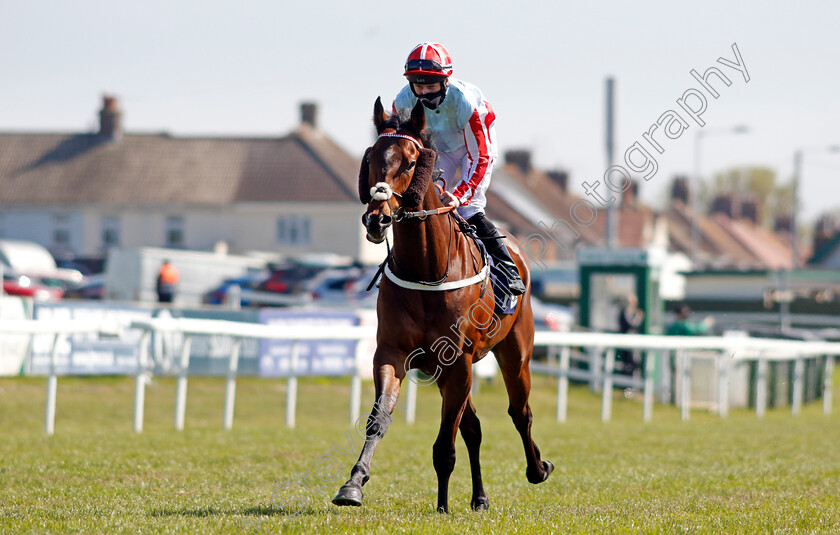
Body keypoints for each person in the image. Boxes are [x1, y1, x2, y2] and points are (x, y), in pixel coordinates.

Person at [391, 42, 526, 295]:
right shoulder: (402, 103)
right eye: (418, 85)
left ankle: (508, 268)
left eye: (431, 85)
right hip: (438, 148)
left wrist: (460, 192)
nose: (423, 93)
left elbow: (481, 155)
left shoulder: (466, 101)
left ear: (445, 81)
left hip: (472, 149)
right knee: (424, 201)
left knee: (468, 206)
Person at [617, 294, 644, 374]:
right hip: (626, 341)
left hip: (634, 341)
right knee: (628, 363)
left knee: (635, 362)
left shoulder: (634, 312)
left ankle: (635, 380)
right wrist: (639, 316)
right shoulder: (625, 312)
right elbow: (632, 324)